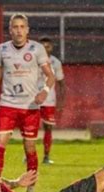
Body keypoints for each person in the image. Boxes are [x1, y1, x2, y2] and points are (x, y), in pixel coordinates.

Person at [0, 13, 55, 192]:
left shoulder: (37, 49)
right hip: (8, 104)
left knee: (29, 147)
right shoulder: (2, 49)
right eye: (15, 27)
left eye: (22, 27)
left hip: (30, 107)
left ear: (27, 30)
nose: (19, 30)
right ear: (10, 30)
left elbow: (50, 75)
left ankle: (30, 189)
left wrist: (45, 90)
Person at [37, 36, 67, 164]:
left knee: (48, 128)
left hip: (49, 100)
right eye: (42, 46)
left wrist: (61, 102)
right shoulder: (31, 60)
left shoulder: (56, 63)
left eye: (47, 46)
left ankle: (46, 156)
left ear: (51, 47)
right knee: (29, 128)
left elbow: (61, 83)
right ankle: (28, 155)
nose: (45, 48)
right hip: (32, 99)